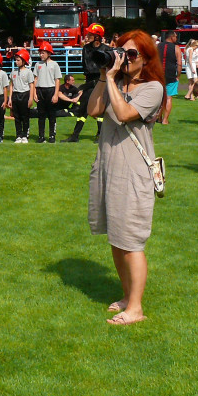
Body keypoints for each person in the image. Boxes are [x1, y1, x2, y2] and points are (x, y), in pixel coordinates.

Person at [86, 29, 165, 326]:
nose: (125, 59)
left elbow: (123, 113)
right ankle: (126, 295)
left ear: (145, 59)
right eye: (122, 52)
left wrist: (110, 80)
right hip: (108, 167)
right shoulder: (115, 80)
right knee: (116, 239)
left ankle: (136, 308)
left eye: (131, 54)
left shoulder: (153, 88)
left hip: (132, 172)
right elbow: (94, 110)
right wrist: (103, 75)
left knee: (131, 241)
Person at [64, 23, 106, 143]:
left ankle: (100, 134)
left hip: (101, 81)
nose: (87, 36)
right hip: (89, 81)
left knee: (100, 109)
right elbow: (86, 66)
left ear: (97, 36)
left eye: (90, 34)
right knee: (83, 108)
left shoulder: (105, 50)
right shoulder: (86, 49)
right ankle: (75, 136)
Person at [33, 42, 62, 143]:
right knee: (41, 115)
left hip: (50, 90)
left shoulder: (54, 65)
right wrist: (34, 93)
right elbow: (35, 79)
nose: (41, 55)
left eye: (43, 53)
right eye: (40, 53)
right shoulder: (37, 64)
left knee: (51, 115)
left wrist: (55, 94)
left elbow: (57, 80)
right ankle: (41, 136)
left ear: (49, 53)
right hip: (40, 90)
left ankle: (52, 135)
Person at [155, 30, 182, 124]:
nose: (176, 38)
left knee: (158, 97)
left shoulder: (157, 46)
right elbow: (179, 63)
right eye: (175, 37)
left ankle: (158, 117)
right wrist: (178, 75)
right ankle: (165, 119)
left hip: (157, 74)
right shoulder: (176, 48)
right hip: (170, 75)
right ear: (172, 37)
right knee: (168, 97)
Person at [9, 48, 34, 143]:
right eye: (16, 60)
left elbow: (31, 85)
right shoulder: (13, 72)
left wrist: (31, 98)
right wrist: (10, 98)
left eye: (18, 60)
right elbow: (11, 85)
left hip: (25, 95)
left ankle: (25, 135)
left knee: (25, 116)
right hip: (16, 95)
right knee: (17, 117)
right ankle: (18, 135)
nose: (16, 62)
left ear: (24, 61)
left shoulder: (28, 72)